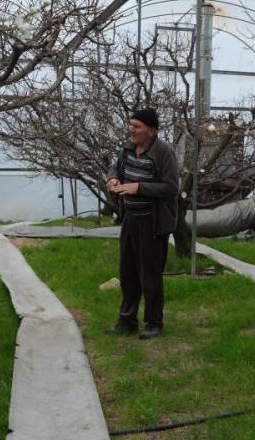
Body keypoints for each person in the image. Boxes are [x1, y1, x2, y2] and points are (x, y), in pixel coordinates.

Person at [106, 108, 179, 339]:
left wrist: (138, 188)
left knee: (150, 275)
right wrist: (113, 178)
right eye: (130, 125)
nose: (131, 130)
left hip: (152, 223)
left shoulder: (163, 152)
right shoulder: (128, 149)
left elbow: (171, 188)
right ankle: (126, 321)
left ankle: (154, 323)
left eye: (136, 126)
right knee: (127, 273)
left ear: (151, 130)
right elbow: (116, 166)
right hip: (131, 220)